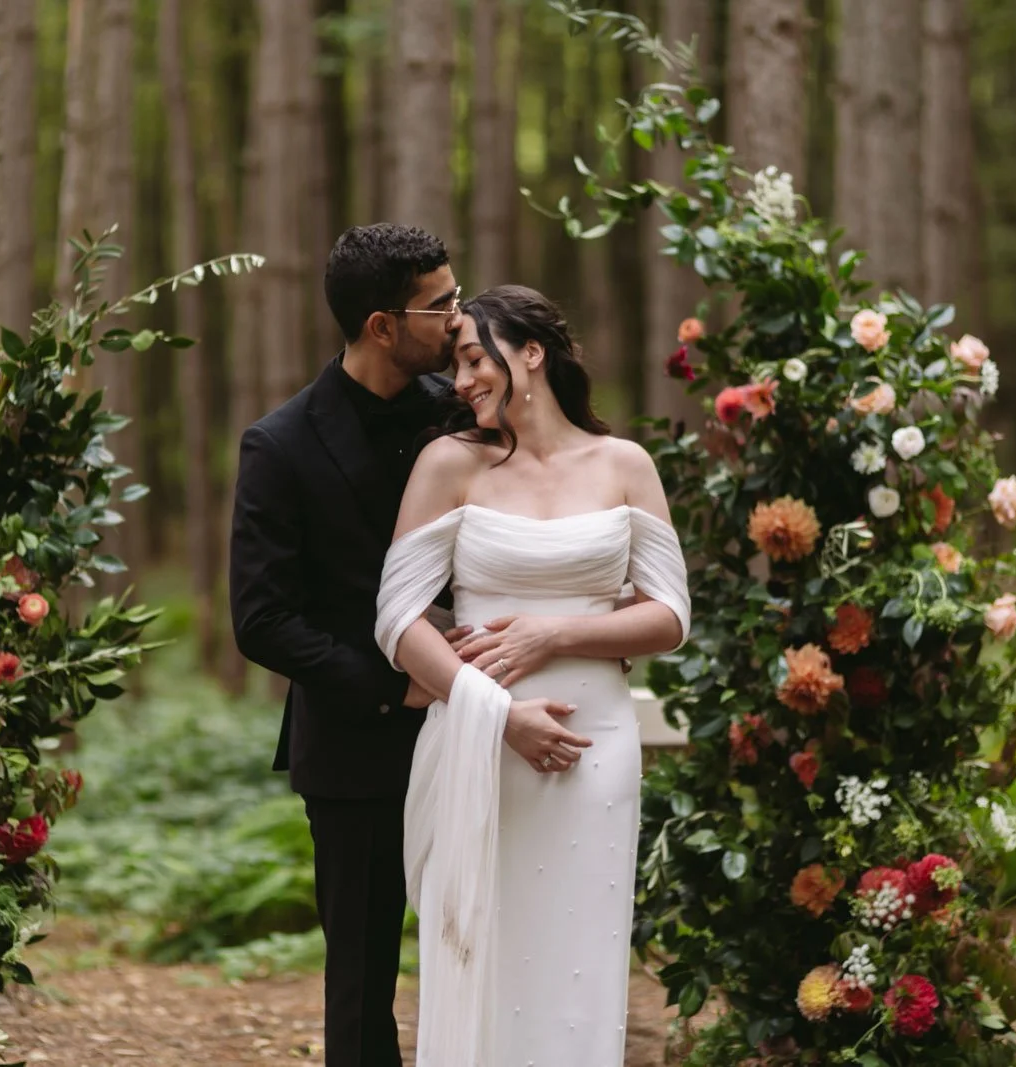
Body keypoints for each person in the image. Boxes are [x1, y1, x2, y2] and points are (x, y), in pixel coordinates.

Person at [230, 226, 588, 1066]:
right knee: (361, 980)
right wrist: (400, 687)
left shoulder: (469, 410)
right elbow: (263, 619)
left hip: (500, 726)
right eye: (442, 304)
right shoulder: (279, 445)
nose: (459, 320)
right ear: (382, 324)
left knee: (504, 946)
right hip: (358, 746)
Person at [373, 285, 691, 1065]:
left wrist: (556, 633)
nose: (462, 379)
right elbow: (397, 620)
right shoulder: (450, 464)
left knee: (579, 960)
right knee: (487, 954)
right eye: (455, 364)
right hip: (485, 745)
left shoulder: (624, 464)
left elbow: (671, 615)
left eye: (475, 356)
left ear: (532, 353)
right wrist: (495, 711)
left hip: (597, 750)